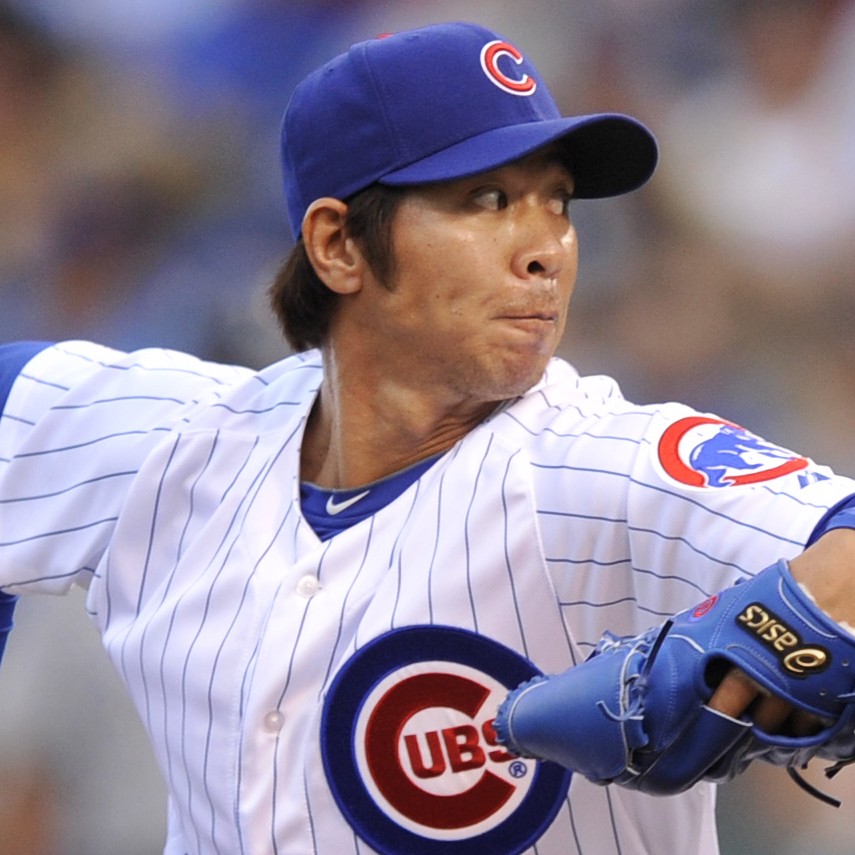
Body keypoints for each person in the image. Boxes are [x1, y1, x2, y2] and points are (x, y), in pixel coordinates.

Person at [2, 20, 855, 855]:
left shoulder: (604, 468)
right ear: (338, 245)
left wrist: (771, 631)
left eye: (555, 202)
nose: (546, 249)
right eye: (486, 200)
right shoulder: (171, 440)